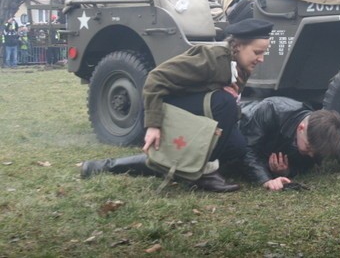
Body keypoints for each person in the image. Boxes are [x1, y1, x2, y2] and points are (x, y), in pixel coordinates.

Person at [81, 18, 274, 193]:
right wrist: (154, 125)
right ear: (238, 46)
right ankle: (204, 172)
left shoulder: (240, 66)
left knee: (237, 147)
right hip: (159, 111)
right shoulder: (212, 58)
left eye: (264, 53)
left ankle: (185, 166)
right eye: (257, 52)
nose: (261, 59)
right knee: (225, 102)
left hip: (186, 114)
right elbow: (155, 78)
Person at [238, 97, 340, 191]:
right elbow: (247, 150)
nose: (310, 155)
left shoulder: (315, 136)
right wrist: (266, 180)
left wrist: (287, 171)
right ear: (301, 128)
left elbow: (304, 165)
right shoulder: (270, 110)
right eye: (308, 147)